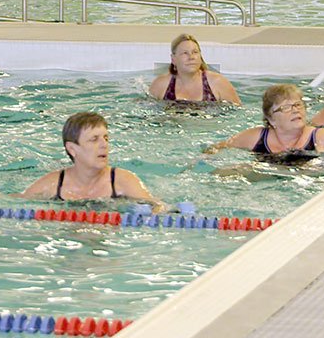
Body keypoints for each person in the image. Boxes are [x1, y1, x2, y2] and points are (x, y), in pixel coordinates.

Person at [22, 112, 168, 210]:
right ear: (72, 149)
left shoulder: (122, 181)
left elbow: (158, 206)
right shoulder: (53, 184)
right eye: (94, 139)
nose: (104, 145)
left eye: (106, 138)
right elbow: (14, 203)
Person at [210, 85, 324, 158]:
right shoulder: (256, 137)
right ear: (271, 118)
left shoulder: (321, 137)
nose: (295, 110)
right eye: (286, 108)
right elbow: (217, 149)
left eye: (297, 105)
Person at [147, 34, 242, 105]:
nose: (191, 57)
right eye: (185, 53)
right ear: (173, 59)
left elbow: (238, 113)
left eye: (195, 52)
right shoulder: (161, 85)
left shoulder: (217, 82)